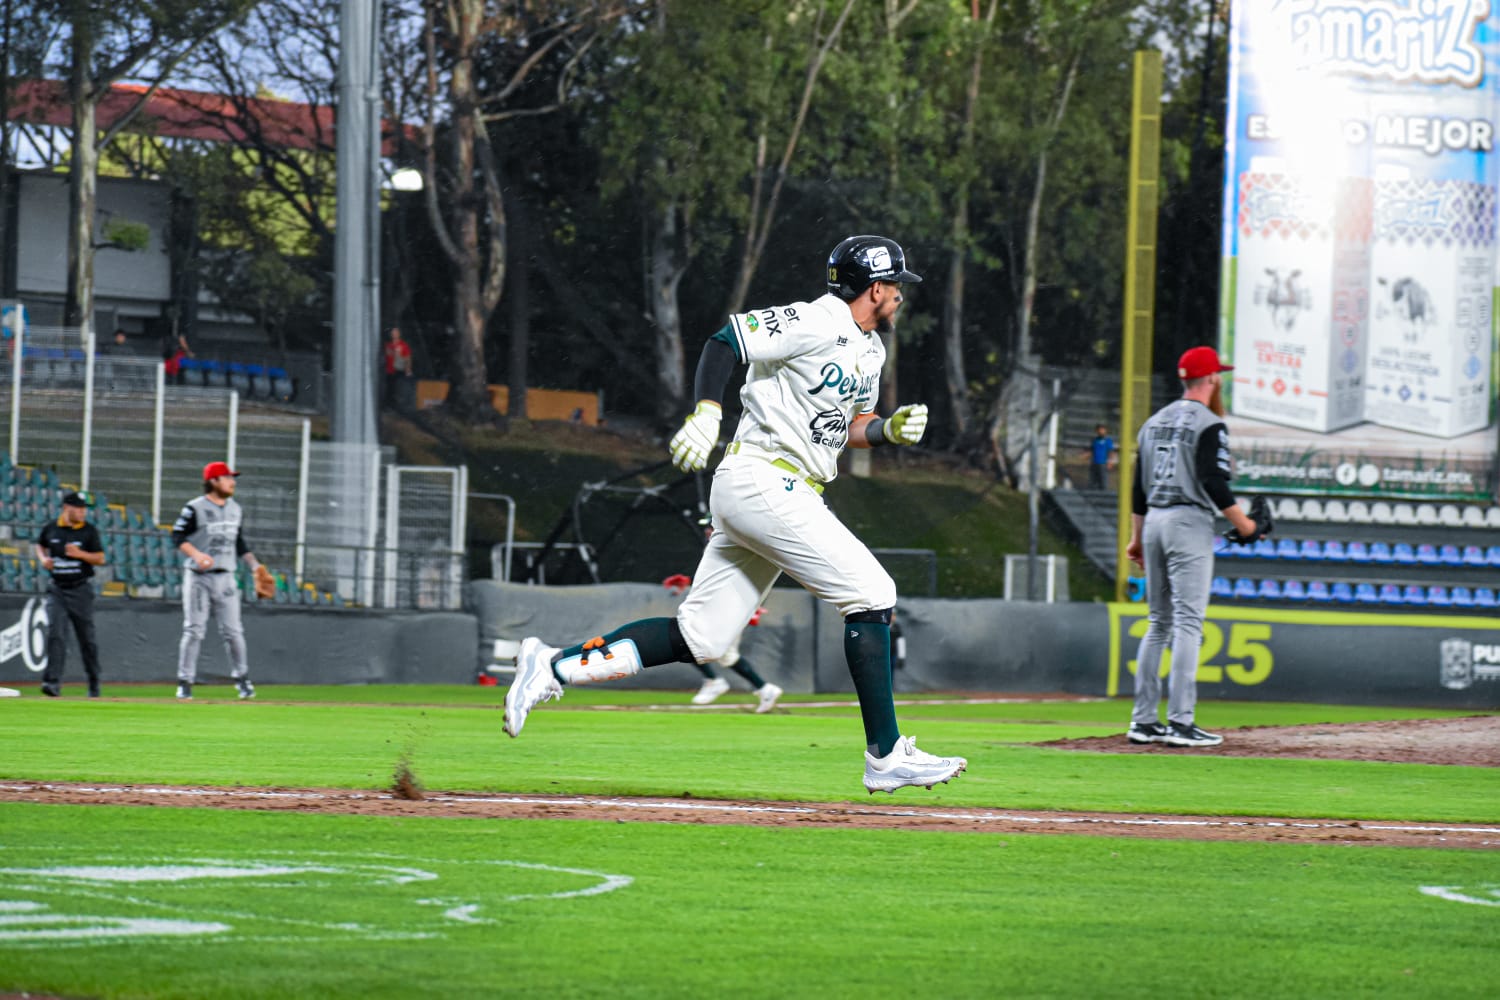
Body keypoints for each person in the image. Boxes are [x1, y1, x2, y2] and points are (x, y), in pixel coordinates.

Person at [505, 235, 966, 793]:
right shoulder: (815, 319)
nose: (900, 296)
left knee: (701, 638)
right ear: (874, 288)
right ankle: (886, 754)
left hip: (781, 487)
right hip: (763, 478)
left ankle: (550, 665)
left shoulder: (871, 350)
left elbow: (846, 427)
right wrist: (706, 411)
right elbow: (726, 340)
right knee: (872, 593)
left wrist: (887, 430)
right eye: (895, 285)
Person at [1125, 346, 1260, 749]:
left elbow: (1137, 489)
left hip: (1154, 520)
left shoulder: (1152, 422)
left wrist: (1136, 537)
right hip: (1187, 522)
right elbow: (1213, 481)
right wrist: (1246, 525)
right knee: (1187, 622)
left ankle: (1143, 721)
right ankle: (1181, 723)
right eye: (1219, 374)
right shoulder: (1210, 424)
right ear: (1213, 378)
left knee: (1158, 622)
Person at [171, 461, 264, 701]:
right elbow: (177, 536)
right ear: (213, 481)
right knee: (194, 630)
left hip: (226, 577)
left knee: (234, 632)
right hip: (199, 577)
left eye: (232, 478)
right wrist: (196, 555)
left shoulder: (235, 509)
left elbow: (239, 542)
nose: (232, 482)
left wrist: (255, 566)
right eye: (227, 478)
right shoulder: (194, 508)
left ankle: (243, 680)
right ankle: (185, 682)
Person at [662, 573, 782, 712]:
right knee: (724, 655)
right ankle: (764, 689)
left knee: (689, 641)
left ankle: (714, 681)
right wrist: (689, 585)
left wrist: (750, 607)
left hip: (729, 614)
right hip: (726, 612)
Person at [35, 491, 106, 697]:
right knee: (56, 634)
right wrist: (43, 559)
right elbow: (40, 544)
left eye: (84, 509)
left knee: (87, 638)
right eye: (79, 508)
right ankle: (52, 683)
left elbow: (100, 558)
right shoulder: (51, 528)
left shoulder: (88, 531)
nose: (83, 512)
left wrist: (80, 554)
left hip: (80, 589)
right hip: (57, 589)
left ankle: (94, 683)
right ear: (67, 508)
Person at [383, 326, 413, 410]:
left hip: (399, 370)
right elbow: (387, 355)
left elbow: (408, 358)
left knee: (398, 389)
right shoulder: (388, 345)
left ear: (399, 334)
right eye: (393, 333)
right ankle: (389, 405)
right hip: (389, 371)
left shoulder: (403, 345)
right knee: (389, 389)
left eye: (396, 333)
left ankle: (398, 406)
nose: (394, 334)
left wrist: (408, 369)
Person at [1088, 423, 1117, 490]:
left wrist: (1110, 462)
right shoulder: (1094, 440)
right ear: (1097, 431)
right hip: (1094, 464)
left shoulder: (1108, 441)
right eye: (1099, 430)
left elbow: (1111, 452)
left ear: (1105, 431)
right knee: (1092, 482)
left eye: (1102, 430)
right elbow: (1091, 450)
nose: (1101, 431)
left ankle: (1103, 493)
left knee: (1103, 482)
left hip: (1103, 464)